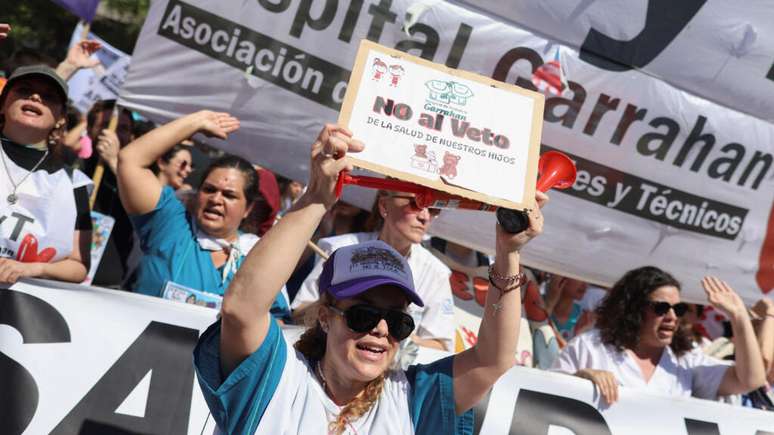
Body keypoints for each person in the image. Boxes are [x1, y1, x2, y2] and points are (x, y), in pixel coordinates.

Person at [193, 124, 548, 434]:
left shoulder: (412, 399)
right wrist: (317, 197)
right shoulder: (277, 376)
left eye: (398, 321)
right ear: (324, 317)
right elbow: (241, 308)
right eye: (362, 315)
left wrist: (508, 252)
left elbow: (493, 359)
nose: (381, 329)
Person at [116, 110, 289, 319]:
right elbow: (130, 159)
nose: (216, 199)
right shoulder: (170, 223)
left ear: (248, 208)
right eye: (209, 189)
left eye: (229, 195)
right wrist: (197, 121)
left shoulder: (258, 258)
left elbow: (278, 323)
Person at [551, 266, 766, 404]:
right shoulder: (588, 348)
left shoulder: (685, 362)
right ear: (633, 308)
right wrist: (581, 379)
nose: (672, 317)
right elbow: (545, 397)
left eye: (678, 309)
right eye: (661, 308)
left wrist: (739, 316)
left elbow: (751, 380)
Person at [292, 188, 455, 351]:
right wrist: (332, 301)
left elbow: (441, 346)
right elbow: (297, 314)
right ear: (384, 205)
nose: (425, 217)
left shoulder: (437, 273)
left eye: (433, 209)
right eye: (415, 203)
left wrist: (399, 334)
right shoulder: (340, 249)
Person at [0, 65, 91, 283]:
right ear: (3, 104)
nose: (35, 97)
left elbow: (78, 265)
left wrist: (32, 269)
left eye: (49, 97)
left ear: (61, 118)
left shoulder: (74, 183)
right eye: (24, 90)